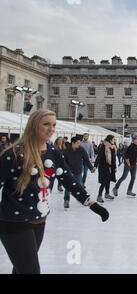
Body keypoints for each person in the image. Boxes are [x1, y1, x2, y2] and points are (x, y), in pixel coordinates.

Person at [0, 109, 108, 274]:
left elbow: (69, 180)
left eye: (54, 125)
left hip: (39, 221)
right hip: (14, 223)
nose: (51, 129)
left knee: (21, 269)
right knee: (30, 271)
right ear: (34, 126)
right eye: (46, 124)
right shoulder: (14, 155)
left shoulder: (53, 153)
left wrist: (91, 203)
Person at [63, 136, 96, 209]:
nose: (79, 144)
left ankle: (82, 198)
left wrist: (91, 168)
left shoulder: (81, 150)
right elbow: (63, 162)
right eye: (77, 143)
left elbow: (86, 159)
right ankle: (66, 200)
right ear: (73, 143)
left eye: (79, 143)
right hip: (69, 171)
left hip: (78, 170)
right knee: (68, 186)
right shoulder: (66, 150)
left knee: (80, 186)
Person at [94, 135, 117, 203]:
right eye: (113, 139)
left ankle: (107, 193)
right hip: (102, 166)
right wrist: (95, 165)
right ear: (110, 140)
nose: (114, 140)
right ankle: (99, 195)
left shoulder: (112, 147)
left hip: (109, 166)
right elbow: (99, 156)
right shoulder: (104, 146)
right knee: (104, 181)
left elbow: (113, 159)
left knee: (108, 180)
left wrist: (114, 167)